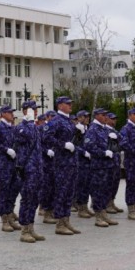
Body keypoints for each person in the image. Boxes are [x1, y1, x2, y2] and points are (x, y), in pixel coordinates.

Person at [41, 96, 82, 235]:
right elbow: (46, 136)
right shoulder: (56, 121)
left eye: (71, 103)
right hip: (61, 163)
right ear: (60, 106)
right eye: (68, 103)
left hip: (71, 162)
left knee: (69, 193)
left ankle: (66, 221)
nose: (71, 105)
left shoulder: (69, 121)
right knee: (61, 193)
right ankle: (59, 224)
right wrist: (62, 144)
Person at [13, 100, 46, 243]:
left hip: (37, 168)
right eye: (33, 109)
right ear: (26, 111)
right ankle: (24, 230)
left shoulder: (34, 127)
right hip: (27, 169)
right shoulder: (21, 127)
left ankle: (31, 227)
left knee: (34, 199)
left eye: (36, 109)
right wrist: (29, 122)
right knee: (27, 199)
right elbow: (26, 136)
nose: (36, 111)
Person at [0, 104, 22, 232]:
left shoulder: (13, 128)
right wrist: (5, 149)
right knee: (4, 192)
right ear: (3, 114)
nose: (12, 114)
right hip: (5, 164)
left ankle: (10, 214)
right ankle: (5, 219)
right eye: (9, 112)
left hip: (15, 164)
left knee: (14, 190)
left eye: (12, 112)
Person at [84, 108, 117, 227]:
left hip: (108, 165)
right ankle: (98, 216)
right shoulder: (93, 129)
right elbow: (89, 145)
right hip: (98, 166)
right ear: (97, 116)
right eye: (103, 115)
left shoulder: (104, 129)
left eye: (106, 115)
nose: (105, 117)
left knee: (106, 190)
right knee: (98, 191)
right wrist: (103, 153)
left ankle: (104, 213)